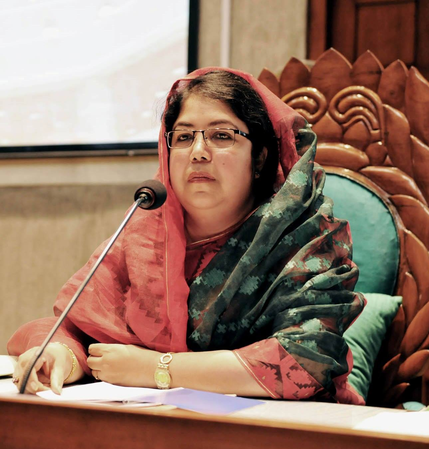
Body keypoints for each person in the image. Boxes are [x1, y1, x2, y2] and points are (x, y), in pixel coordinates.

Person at [8, 67, 366, 403]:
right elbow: (79, 329)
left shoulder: (306, 238)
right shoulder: (143, 239)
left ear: (259, 157)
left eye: (221, 135)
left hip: (282, 428)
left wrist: (158, 369)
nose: (197, 153)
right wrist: (61, 356)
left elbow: (304, 361)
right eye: (183, 137)